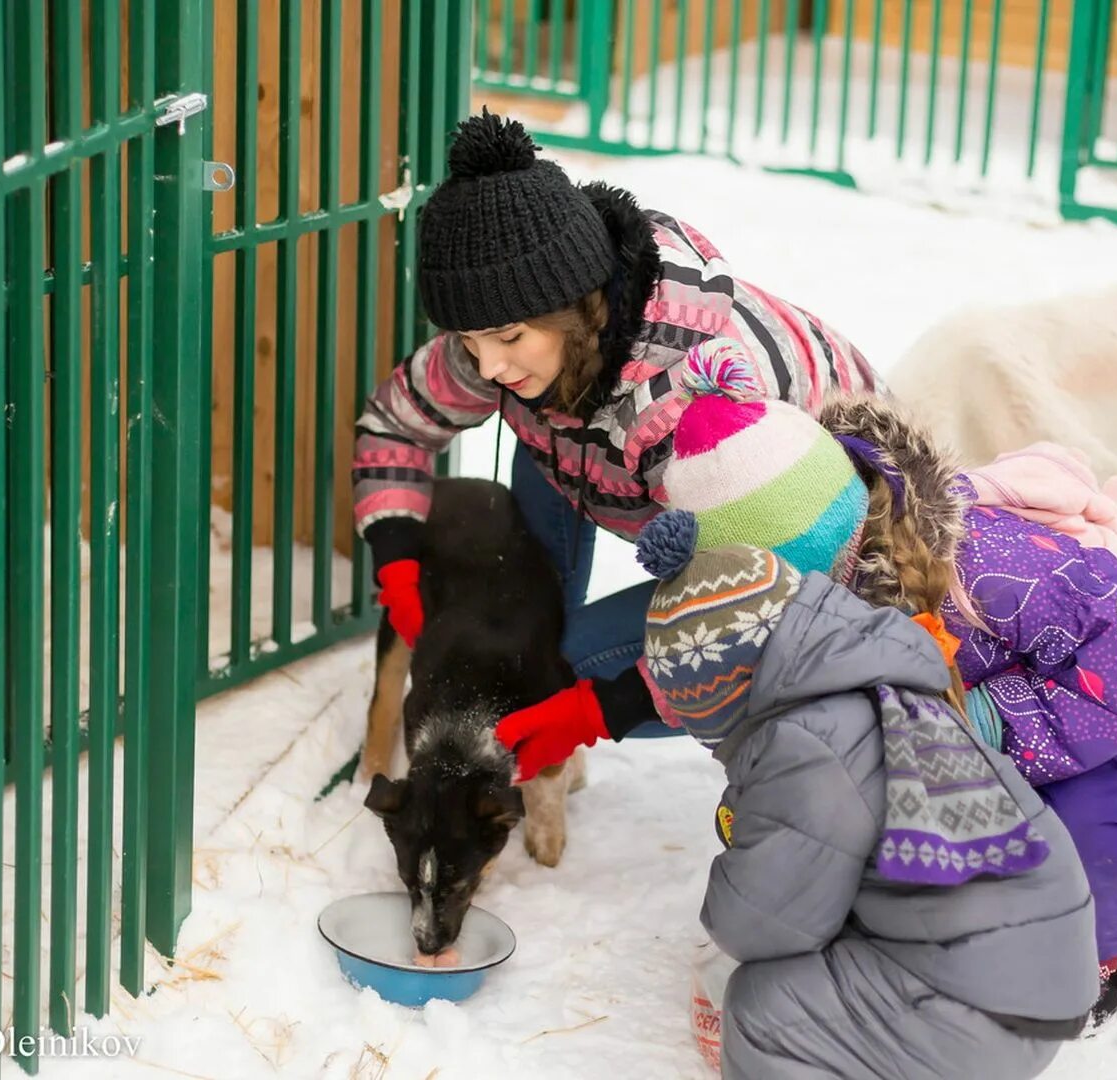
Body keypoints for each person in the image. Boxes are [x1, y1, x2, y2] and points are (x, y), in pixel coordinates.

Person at [351, 110, 879, 770]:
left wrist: (608, 706)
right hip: (633, 463)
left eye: (508, 338)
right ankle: (545, 645)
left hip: (829, 544)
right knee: (539, 441)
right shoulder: (518, 337)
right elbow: (396, 421)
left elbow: (773, 603)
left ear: (575, 308)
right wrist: (396, 553)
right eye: (469, 341)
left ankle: (563, 683)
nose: (486, 366)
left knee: (568, 664)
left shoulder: (692, 409)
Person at [638, 538, 1099, 1078]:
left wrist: (732, 868)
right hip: (1029, 975)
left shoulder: (807, 742)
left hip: (980, 1009)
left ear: (728, 693)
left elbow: (763, 924)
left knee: (766, 1010)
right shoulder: (877, 682)